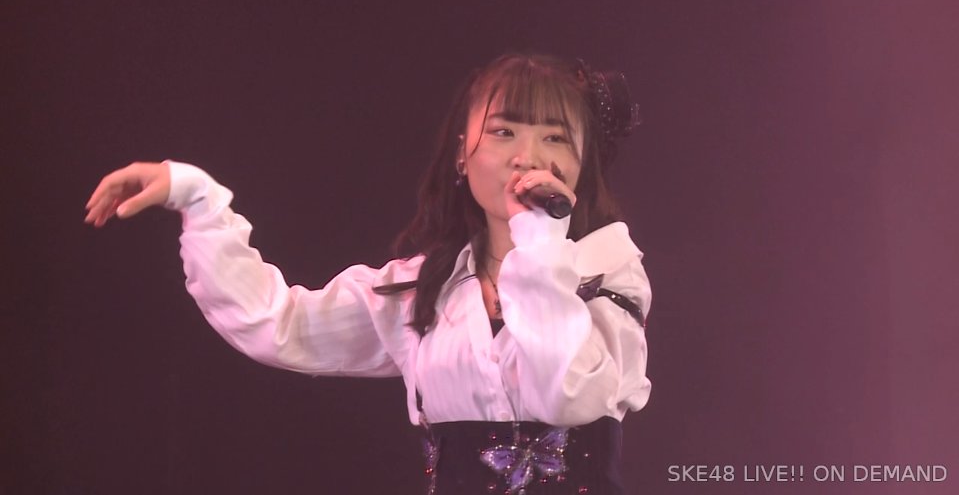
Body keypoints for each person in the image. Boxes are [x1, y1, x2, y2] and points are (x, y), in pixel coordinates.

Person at [84, 53, 652, 495]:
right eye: (504, 132)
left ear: (581, 163)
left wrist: (540, 238)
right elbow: (277, 323)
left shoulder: (606, 273)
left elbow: (567, 398)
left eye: (554, 137)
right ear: (463, 155)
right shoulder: (423, 294)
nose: (526, 155)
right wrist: (196, 197)